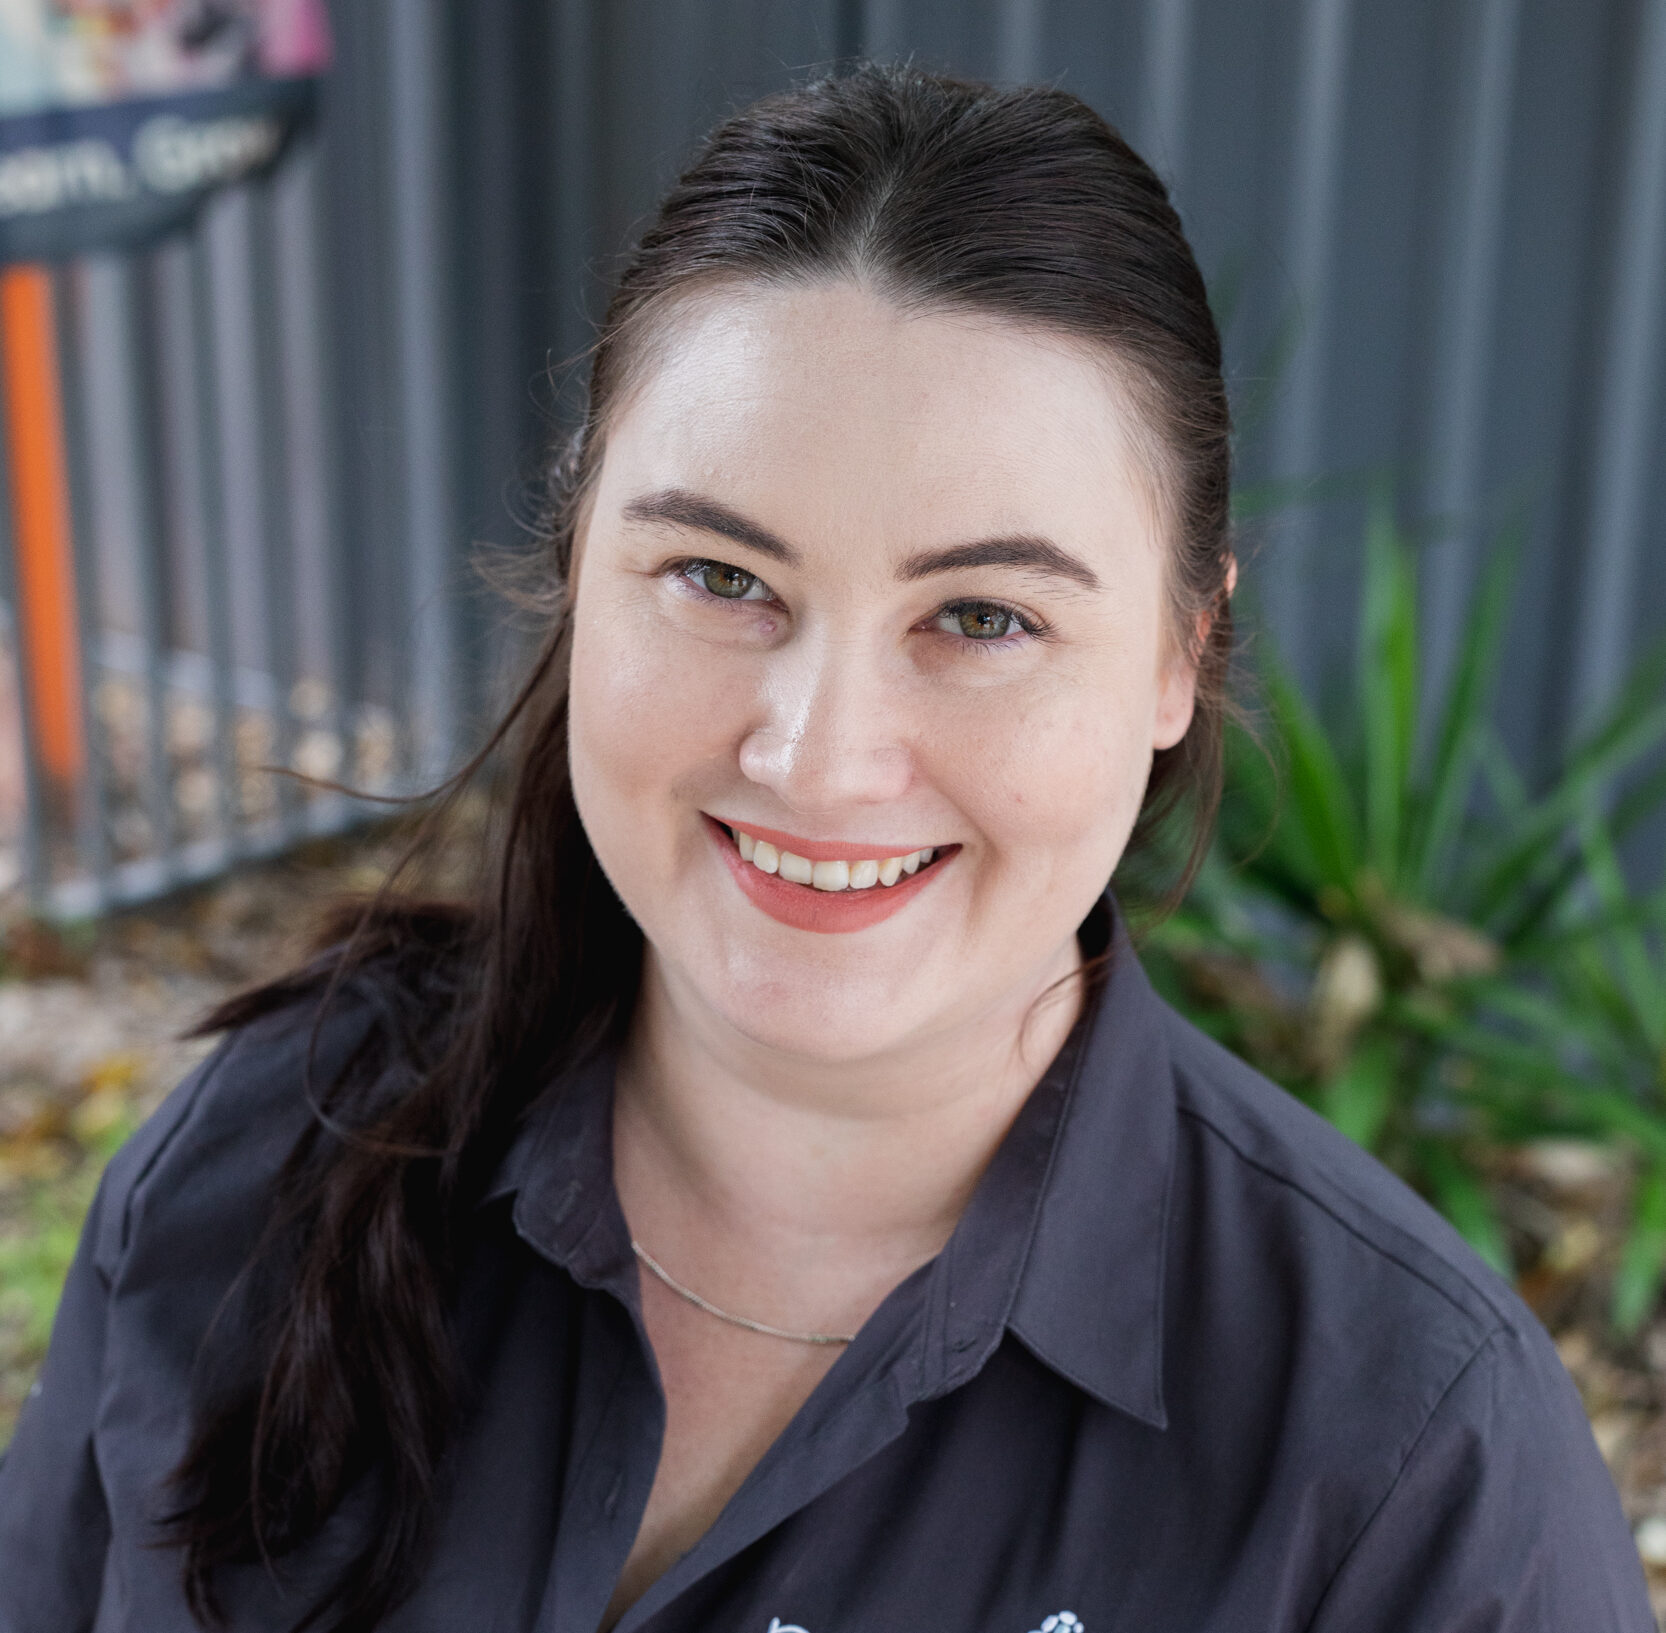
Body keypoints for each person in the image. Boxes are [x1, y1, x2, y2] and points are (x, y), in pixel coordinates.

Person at [0, 64, 1650, 1633]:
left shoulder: (1413, 1470)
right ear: (581, 562)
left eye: (982, 615)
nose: (816, 753)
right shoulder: (261, 1155)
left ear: (1177, 656)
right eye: (722, 578)